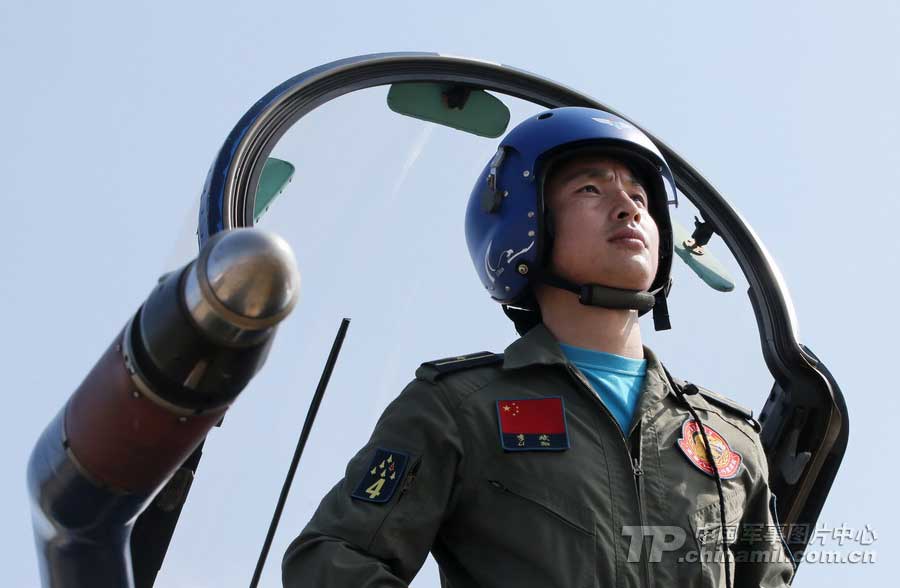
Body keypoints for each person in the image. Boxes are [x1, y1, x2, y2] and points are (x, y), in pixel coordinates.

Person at [282, 107, 795, 587]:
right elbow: (333, 560)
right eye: (591, 189)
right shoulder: (461, 408)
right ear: (525, 222)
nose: (627, 209)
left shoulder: (728, 440)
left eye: (640, 197)